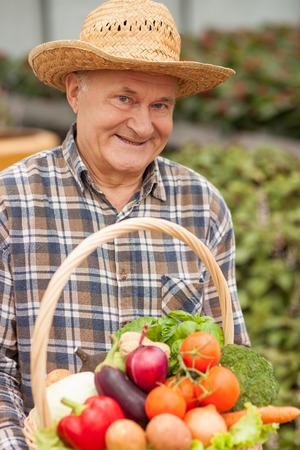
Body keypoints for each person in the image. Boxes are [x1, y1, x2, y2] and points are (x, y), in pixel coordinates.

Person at [0, 0, 250, 448]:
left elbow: (227, 360)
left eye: (160, 105)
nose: (142, 124)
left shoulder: (203, 205)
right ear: (76, 92)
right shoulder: (11, 202)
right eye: (124, 98)